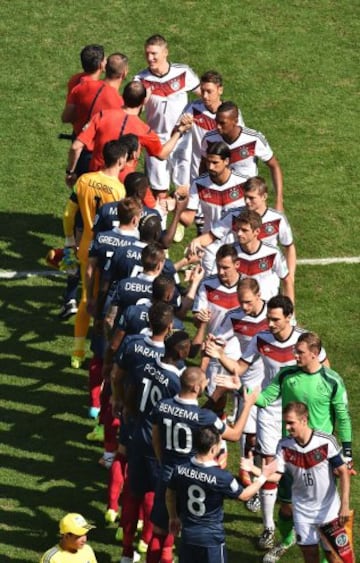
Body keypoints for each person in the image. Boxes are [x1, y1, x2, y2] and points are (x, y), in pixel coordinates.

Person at [206, 296, 329, 551]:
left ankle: (308, 520)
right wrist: (219, 355)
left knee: (307, 470)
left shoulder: (305, 342)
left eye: (275, 319)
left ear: (289, 316)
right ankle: (269, 528)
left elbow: (325, 374)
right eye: (268, 318)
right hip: (271, 411)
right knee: (268, 467)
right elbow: (240, 367)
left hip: (303, 414)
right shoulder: (261, 338)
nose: (269, 323)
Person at [148, 367, 263, 563]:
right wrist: (248, 404)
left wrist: (162, 462)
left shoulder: (162, 406)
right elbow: (234, 435)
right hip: (193, 475)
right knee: (199, 527)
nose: (206, 385)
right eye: (203, 383)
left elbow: (156, 437)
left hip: (168, 473)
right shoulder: (205, 418)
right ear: (195, 387)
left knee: (160, 530)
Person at [244, 402, 352, 563]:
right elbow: (276, 476)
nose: (287, 427)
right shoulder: (284, 446)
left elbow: (343, 472)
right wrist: (254, 469)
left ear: (304, 420)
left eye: (290, 422)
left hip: (329, 511)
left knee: (334, 557)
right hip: (303, 513)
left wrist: (344, 505)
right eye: (285, 423)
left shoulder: (325, 442)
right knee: (310, 557)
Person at [165, 426, 277, 563]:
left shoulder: (180, 469)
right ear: (213, 449)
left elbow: (170, 494)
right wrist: (263, 476)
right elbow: (245, 495)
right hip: (212, 539)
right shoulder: (221, 477)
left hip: (189, 535)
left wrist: (173, 517)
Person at [62, 140, 127, 368]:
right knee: (104, 300)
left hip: (84, 247)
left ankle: (77, 351)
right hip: (107, 250)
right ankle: (101, 350)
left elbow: (68, 214)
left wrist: (70, 240)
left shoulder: (84, 180)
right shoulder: (119, 190)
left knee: (84, 298)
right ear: (121, 160)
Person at [66, 81, 193, 185]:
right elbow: (162, 154)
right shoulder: (144, 130)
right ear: (143, 101)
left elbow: (76, 146)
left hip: (94, 179)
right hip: (121, 184)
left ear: (123, 96)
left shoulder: (102, 116)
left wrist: (70, 172)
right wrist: (179, 131)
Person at [189, 176, 296, 282]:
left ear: (264, 196)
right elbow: (211, 236)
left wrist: (290, 276)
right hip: (241, 273)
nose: (247, 201)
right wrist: (197, 241)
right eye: (245, 197)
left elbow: (289, 246)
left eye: (251, 198)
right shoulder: (234, 215)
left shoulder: (277, 219)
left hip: (267, 276)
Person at [134, 34, 200, 194]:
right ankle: (161, 219)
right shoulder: (140, 79)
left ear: (165, 52)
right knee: (159, 192)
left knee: (182, 190)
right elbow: (133, 114)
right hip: (156, 141)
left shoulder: (182, 73)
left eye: (154, 54)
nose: (150, 58)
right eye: (147, 54)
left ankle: (177, 219)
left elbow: (205, 97)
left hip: (182, 140)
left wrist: (194, 117)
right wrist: (143, 101)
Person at [200, 101, 284, 211]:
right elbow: (203, 166)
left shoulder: (254, 139)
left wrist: (279, 201)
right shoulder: (209, 139)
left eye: (222, 123)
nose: (218, 127)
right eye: (216, 122)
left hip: (248, 201)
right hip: (220, 200)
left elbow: (274, 166)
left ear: (235, 121)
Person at [180, 141, 247, 274]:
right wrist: (176, 208)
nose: (210, 167)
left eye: (215, 163)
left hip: (238, 243)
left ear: (226, 161)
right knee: (210, 287)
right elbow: (188, 220)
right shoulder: (199, 184)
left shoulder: (243, 183)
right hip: (210, 244)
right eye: (208, 162)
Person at [232, 209, 294, 303]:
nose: (239, 233)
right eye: (238, 229)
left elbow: (287, 280)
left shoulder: (272, 252)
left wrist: (291, 314)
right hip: (242, 308)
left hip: (269, 307)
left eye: (244, 230)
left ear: (256, 232)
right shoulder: (230, 252)